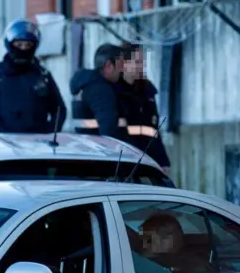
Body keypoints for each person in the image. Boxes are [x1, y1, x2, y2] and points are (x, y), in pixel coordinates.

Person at [0, 19, 66, 134]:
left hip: (38, 143)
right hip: (5, 142)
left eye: (28, 45)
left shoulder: (43, 75)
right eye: (19, 44)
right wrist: (1, 132)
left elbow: (59, 109)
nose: (23, 48)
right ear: (10, 44)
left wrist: (48, 133)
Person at [116, 43, 171, 175]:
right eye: (138, 62)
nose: (142, 66)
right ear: (125, 64)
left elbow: (154, 132)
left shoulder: (147, 91)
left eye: (143, 62)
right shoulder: (114, 92)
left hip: (147, 160)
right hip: (124, 160)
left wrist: (163, 161)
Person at [70, 44, 127, 139]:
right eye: (120, 65)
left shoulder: (86, 85)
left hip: (85, 145)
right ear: (109, 65)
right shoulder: (101, 90)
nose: (123, 70)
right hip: (100, 149)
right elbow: (108, 130)